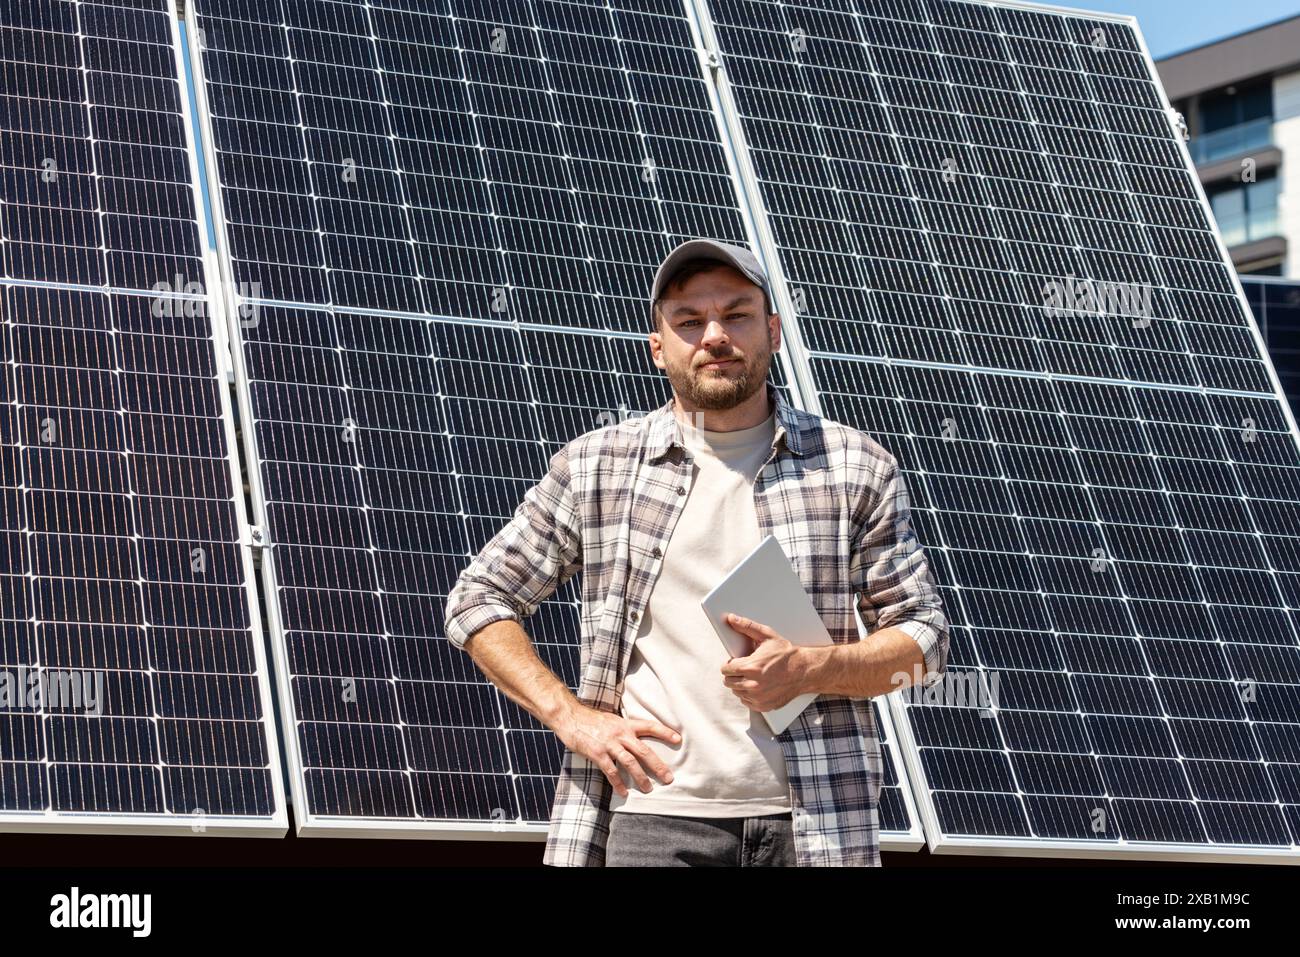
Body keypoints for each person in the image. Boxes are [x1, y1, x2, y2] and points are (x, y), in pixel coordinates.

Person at [444, 238, 948, 866]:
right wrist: (573, 719)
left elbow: (923, 641)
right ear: (658, 348)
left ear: (773, 330)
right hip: (653, 819)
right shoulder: (598, 467)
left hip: (817, 825)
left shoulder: (853, 467)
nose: (714, 335)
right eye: (689, 321)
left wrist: (813, 668)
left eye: (736, 315)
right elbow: (478, 598)